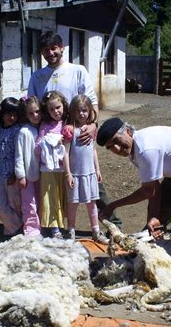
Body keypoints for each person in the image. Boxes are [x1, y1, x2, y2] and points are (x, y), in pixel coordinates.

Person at [96, 117, 171, 312]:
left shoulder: (145, 149)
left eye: (118, 141)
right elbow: (154, 189)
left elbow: (148, 191)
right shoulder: (136, 150)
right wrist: (154, 217)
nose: (118, 149)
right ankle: (148, 265)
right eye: (112, 147)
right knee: (154, 224)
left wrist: (113, 205)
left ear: (128, 131)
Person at [27, 30, 122, 228]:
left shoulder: (77, 70)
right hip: (50, 136)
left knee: (90, 181)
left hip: (76, 133)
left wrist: (92, 125)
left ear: (62, 48)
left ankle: (114, 225)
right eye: (46, 50)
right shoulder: (37, 77)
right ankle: (52, 227)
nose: (50, 53)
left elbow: (91, 102)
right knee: (52, 184)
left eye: (54, 48)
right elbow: (32, 106)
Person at [62, 95, 108, 244]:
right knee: (73, 205)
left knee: (92, 204)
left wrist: (98, 169)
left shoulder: (90, 130)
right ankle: (70, 231)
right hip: (75, 175)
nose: (82, 114)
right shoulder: (70, 130)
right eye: (78, 111)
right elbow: (66, 153)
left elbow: (93, 150)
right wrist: (68, 174)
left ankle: (95, 230)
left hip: (89, 174)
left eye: (85, 110)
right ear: (73, 112)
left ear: (89, 111)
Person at [35, 91, 68, 238]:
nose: (56, 111)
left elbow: (69, 141)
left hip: (63, 167)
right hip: (47, 168)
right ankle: (54, 228)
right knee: (50, 197)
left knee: (61, 197)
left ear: (63, 106)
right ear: (47, 111)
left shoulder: (66, 123)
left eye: (58, 107)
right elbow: (38, 144)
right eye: (51, 109)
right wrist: (48, 141)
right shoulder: (45, 125)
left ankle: (62, 224)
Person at [0, 97, 22, 240]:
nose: (12, 117)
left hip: (11, 174)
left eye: (15, 114)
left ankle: (11, 232)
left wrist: (16, 173)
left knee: (14, 204)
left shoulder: (18, 130)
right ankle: (18, 226)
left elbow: (20, 154)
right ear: (2, 113)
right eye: (9, 114)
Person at [14, 96, 41, 237]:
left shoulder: (43, 128)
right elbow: (18, 156)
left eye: (37, 111)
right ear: (26, 115)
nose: (35, 115)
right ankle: (31, 229)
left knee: (41, 201)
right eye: (31, 113)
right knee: (29, 203)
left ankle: (41, 225)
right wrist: (21, 175)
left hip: (42, 173)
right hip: (28, 175)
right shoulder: (24, 131)